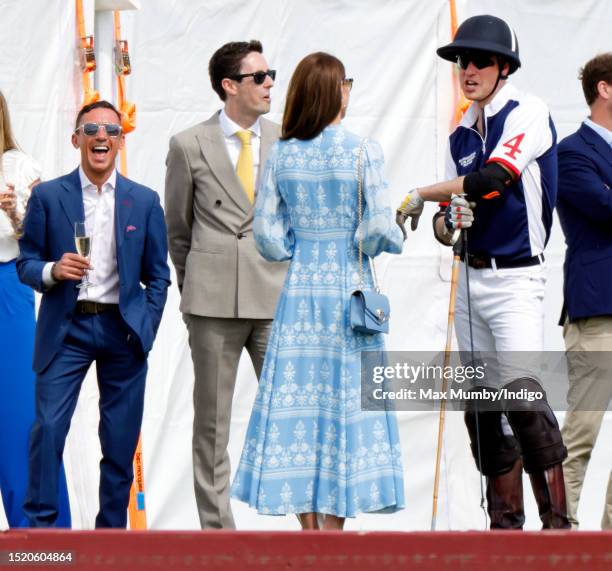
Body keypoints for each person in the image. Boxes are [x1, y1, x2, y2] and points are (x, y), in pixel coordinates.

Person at [396, 15, 570, 529]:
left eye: (479, 61)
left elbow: (495, 179)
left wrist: (426, 193)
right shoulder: (460, 132)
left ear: (503, 66)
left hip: (517, 278)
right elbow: (461, 215)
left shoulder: (528, 111)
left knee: (521, 393)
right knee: (481, 406)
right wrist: (448, 222)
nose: (467, 70)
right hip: (470, 275)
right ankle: (505, 526)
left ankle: (558, 523)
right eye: (461, 61)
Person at [231, 52, 405, 530]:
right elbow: (376, 230)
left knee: (302, 413)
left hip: (301, 295)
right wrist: (390, 236)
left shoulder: (282, 154)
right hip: (349, 292)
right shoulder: (362, 151)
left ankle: (310, 540)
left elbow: (266, 236)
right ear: (335, 92)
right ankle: (333, 540)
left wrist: (302, 244)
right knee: (345, 411)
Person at [17, 100, 170, 528]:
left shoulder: (143, 200)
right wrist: (51, 270)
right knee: (47, 430)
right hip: (67, 328)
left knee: (119, 441)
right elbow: (25, 261)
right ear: (76, 139)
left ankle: (109, 539)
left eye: (110, 130)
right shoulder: (48, 196)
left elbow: (159, 276)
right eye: (91, 129)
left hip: (123, 330)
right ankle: (43, 537)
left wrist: (147, 326)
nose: (101, 136)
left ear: (120, 141)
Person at [164, 40, 286, 529]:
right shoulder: (188, 144)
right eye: (259, 77)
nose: (270, 83)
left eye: (270, 74)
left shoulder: (287, 141)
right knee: (211, 426)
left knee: (290, 415)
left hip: (275, 296)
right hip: (212, 302)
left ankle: (308, 530)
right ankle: (218, 537)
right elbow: (178, 228)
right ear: (229, 86)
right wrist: (194, 290)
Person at [0, 91, 70, 528]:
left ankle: (45, 542)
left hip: (6, 284)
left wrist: (16, 213)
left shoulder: (19, 167)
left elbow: (45, 238)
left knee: (19, 414)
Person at [557, 52, 612, 529]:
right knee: (582, 433)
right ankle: (562, 536)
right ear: (605, 89)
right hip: (597, 308)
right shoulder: (573, 150)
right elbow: (603, 208)